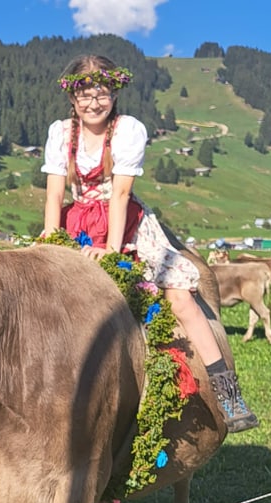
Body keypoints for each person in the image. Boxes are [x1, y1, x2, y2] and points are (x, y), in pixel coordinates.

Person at [40, 54, 258, 433]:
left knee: (180, 295)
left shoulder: (127, 131)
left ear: (114, 94)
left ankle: (228, 394)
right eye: (85, 94)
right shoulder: (61, 133)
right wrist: (50, 238)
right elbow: (54, 195)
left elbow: (121, 195)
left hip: (124, 226)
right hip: (76, 225)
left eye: (102, 93)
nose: (93, 103)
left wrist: (110, 249)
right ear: (72, 98)